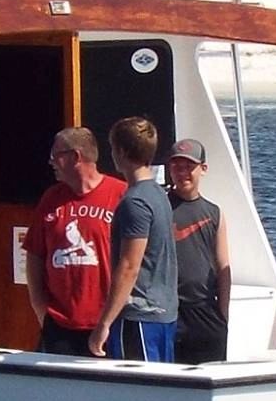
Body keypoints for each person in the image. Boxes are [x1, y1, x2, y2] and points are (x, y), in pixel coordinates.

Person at [25, 127, 125, 356]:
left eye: (55, 155)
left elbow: (134, 260)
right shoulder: (51, 198)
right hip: (59, 325)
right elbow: (34, 254)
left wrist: (109, 320)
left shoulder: (120, 194)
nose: (50, 162)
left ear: (75, 157)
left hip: (107, 325)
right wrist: (41, 310)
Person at [91, 117, 178, 362]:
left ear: (120, 151)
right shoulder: (158, 194)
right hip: (164, 313)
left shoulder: (135, 202)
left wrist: (104, 323)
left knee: (142, 391)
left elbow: (129, 266)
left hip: (140, 316)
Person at [165, 138, 229, 365]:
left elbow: (223, 267)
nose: (183, 173)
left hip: (204, 310)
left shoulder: (214, 213)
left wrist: (223, 315)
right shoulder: (160, 207)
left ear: (203, 169)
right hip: (170, 310)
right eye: (176, 167)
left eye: (188, 167)